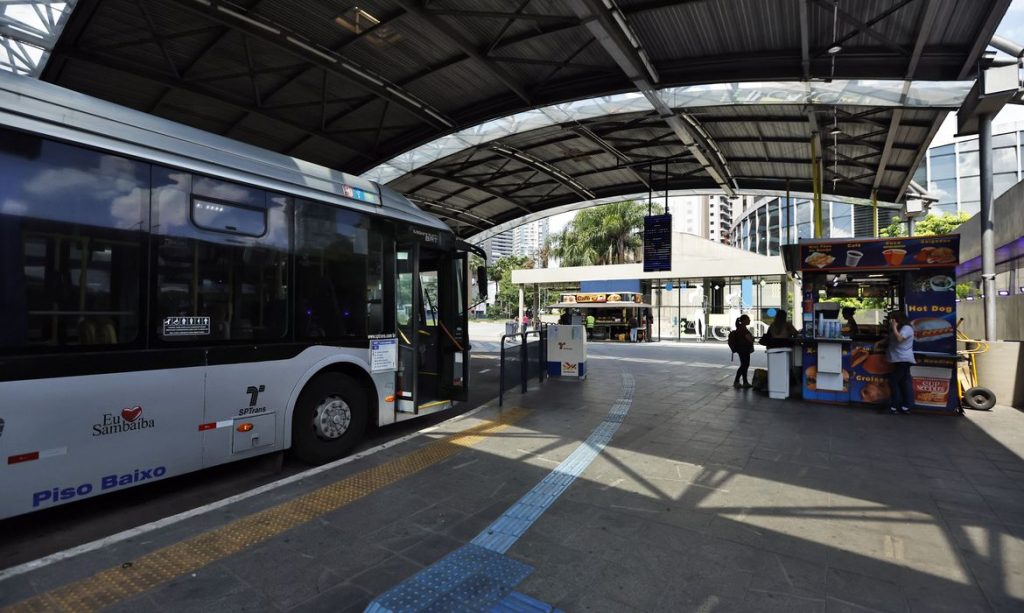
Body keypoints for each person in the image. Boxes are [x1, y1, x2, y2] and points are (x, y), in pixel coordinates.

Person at [886, 310, 915, 415]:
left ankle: (894, 407)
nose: (890, 321)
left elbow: (899, 338)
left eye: (892, 319)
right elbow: (891, 339)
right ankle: (905, 407)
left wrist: (893, 326)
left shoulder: (906, 328)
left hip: (903, 359)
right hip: (898, 358)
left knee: (893, 381)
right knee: (903, 382)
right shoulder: (901, 328)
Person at [728, 315, 755, 388]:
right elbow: (750, 339)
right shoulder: (743, 329)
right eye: (748, 319)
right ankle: (736, 381)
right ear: (744, 321)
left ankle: (745, 382)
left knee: (744, 365)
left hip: (741, 349)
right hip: (744, 349)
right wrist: (752, 338)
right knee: (744, 365)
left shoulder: (740, 328)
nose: (749, 320)